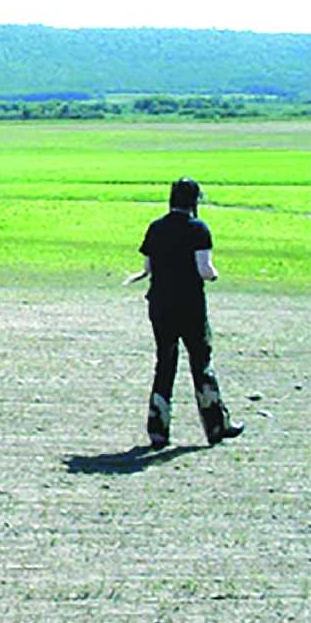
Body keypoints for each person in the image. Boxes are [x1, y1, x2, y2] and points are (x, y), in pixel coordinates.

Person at [124, 177, 243, 448]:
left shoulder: (156, 228)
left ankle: (158, 428)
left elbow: (148, 266)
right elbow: (205, 269)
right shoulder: (198, 229)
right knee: (201, 362)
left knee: (165, 362)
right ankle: (215, 424)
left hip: (161, 305)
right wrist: (214, 276)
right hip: (190, 305)